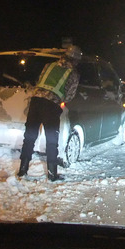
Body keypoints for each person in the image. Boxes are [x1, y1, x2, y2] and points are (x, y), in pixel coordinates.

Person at [17, 44, 81, 181]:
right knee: (52, 140)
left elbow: (40, 81)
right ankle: (52, 174)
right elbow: (69, 95)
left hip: (35, 101)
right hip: (51, 106)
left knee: (29, 137)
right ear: (76, 60)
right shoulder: (73, 73)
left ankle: (22, 170)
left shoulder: (49, 65)